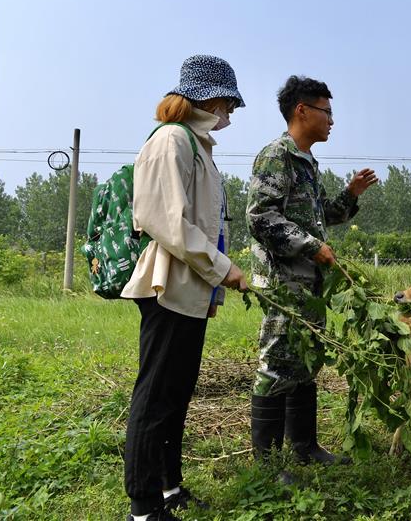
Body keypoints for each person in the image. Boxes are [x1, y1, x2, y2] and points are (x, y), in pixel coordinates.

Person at [121, 54, 250, 521]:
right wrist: (222, 268)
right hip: (169, 286)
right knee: (156, 394)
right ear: (208, 97)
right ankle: (143, 505)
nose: (230, 114)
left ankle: (169, 486)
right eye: (228, 104)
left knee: (178, 392)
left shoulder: (198, 146)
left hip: (192, 288)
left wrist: (214, 278)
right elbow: (165, 221)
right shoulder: (171, 141)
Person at [246, 75, 377, 483]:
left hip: (309, 285)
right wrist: (310, 247)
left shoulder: (307, 163)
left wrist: (351, 194)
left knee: (304, 363)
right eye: (327, 111)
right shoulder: (276, 156)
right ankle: (266, 467)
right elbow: (260, 217)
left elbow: (322, 217)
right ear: (302, 110)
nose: (332, 120)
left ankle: (304, 448)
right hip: (284, 283)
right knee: (276, 364)